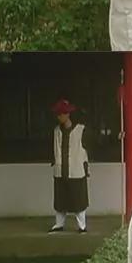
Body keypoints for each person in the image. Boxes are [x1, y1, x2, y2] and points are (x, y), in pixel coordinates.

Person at [48, 99, 91, 233]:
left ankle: (82, 226)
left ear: (67, 114)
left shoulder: (81, 130)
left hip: (76, 170)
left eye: (61, 113)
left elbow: (92, 145)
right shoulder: (56, 131)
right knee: (60, 200)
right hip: (60, 170)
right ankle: (59, 224)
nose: (59, 116)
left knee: (78, 199)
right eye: (58, 114)